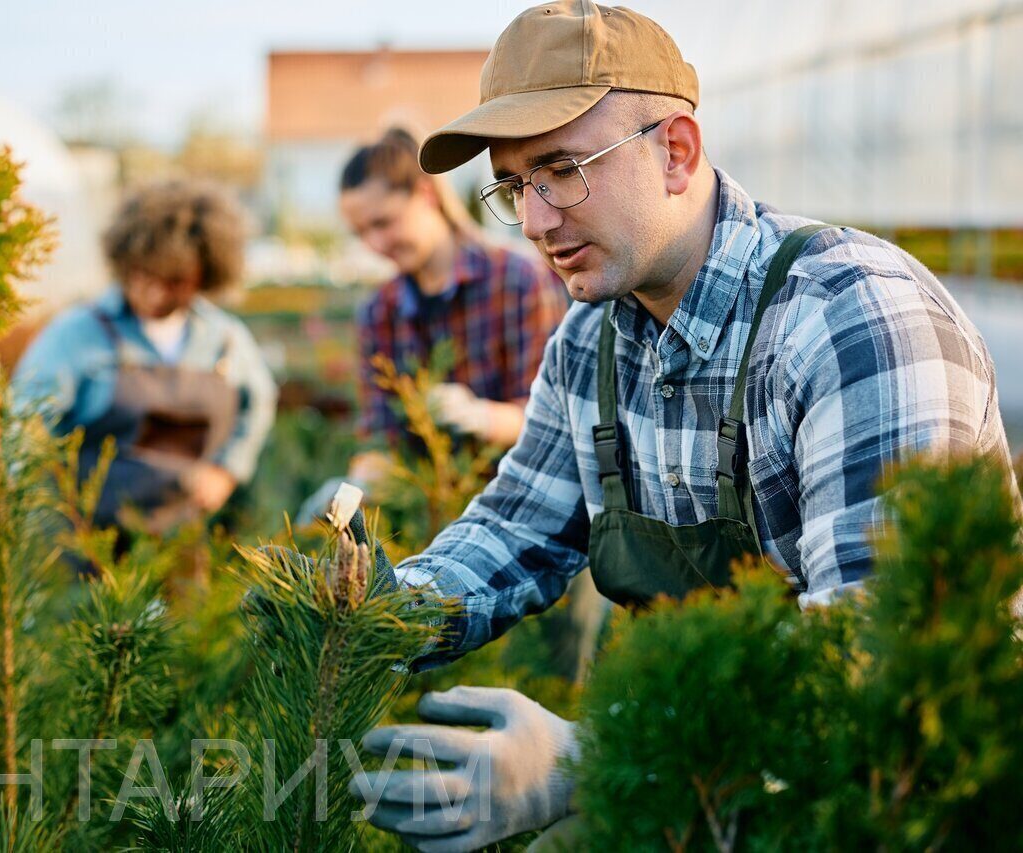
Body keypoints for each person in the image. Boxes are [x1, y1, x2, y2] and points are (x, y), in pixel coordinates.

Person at [346, 3, 1019, 851]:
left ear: (676, 151)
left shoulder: (850, 321)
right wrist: (369, 617)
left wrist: (589, 758)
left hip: (881, 795)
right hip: (687, 770)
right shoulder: (591, 338)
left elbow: (875, 652)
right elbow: (517, 525)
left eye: (563, 169)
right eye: (517, 187)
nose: (541, 222)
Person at [12, 179, 277, 531]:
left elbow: (260, 402)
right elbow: (25, 420)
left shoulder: (224, 340)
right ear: (124, 261)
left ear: (206, 275)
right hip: (88, 541)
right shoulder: (76, 334)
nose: (153, 294)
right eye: (143, 276)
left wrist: (227, 470)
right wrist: (12, 505)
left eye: (174, 282)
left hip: (185, 540)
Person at [338, 127, 569, 482]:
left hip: (520, 495)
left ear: (426, 195)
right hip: (426, 508)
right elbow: (378, 431)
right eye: (361, 232)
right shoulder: (378, 312)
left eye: (383, 222)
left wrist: (481, 416)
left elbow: (554, 416)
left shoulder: (518, 279)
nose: (375, 243)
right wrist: (361, 479)